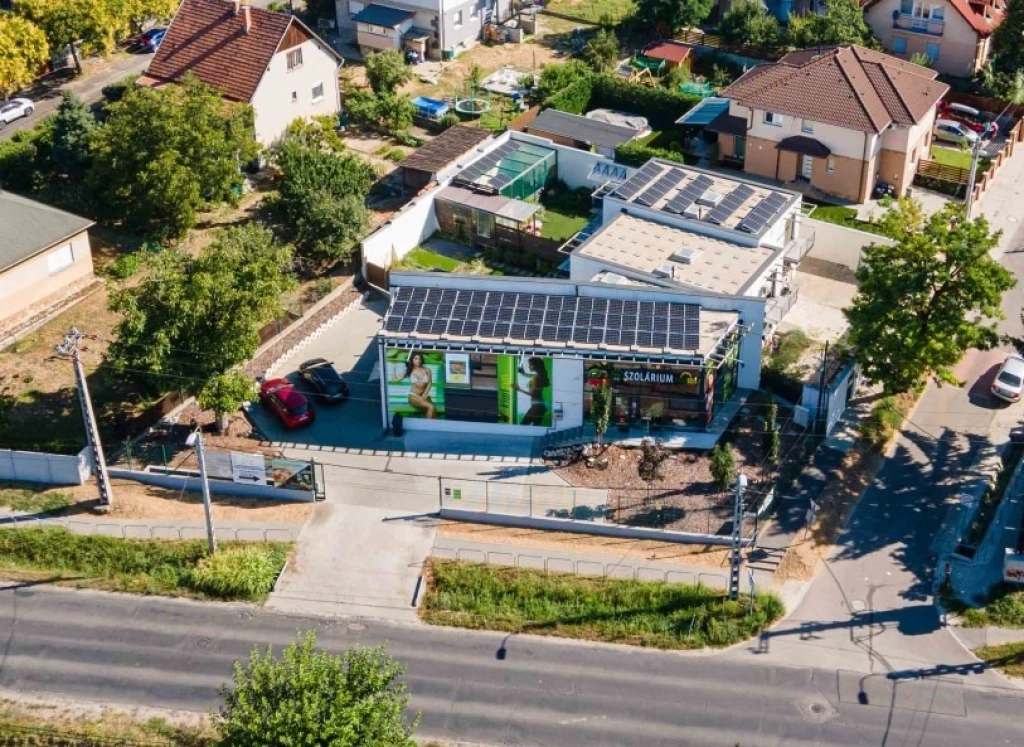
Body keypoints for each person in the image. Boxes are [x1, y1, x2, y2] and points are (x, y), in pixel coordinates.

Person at [394, 352, 436, 418]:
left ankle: (431, 423)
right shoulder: (409, 371)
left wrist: (424, 394)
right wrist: (394, 367)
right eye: (416, 358)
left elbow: (429, 383)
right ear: (412, 360)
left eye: (420, 359)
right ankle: (428, 424)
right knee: (431, 407)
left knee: (433, 410)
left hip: (424, 395)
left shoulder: (427, 370)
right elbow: (395, 380)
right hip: (413, 396)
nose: (418, 361)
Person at [516, 357, 549, 426]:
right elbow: (525, 374)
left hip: (536, 406)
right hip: (541, 406)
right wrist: (520, 365)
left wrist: (519, 389)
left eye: (530, 365)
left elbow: (533, 394)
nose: (528, 366)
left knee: (522, 426)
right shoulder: (539, 376)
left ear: (535, 366)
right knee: (536, 429)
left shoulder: (535, 378)